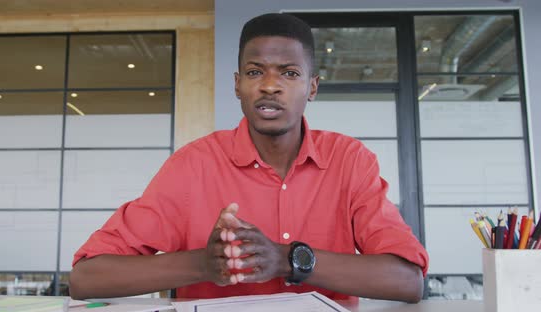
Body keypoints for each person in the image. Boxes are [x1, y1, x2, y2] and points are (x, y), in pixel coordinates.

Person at [69, 13, 428, 304]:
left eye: (289, 73)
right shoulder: (194, 164)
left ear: (312, 87)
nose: (270, 85)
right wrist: (204, 264)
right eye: (256, 72)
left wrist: (288, 259)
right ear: (238, 85)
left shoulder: (350, 160)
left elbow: (408, 282)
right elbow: (87, 278)